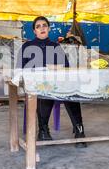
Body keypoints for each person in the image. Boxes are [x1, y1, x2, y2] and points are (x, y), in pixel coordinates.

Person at [19, 16, 87, 148]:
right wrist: (44, 69)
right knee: (45, 88)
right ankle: (43, 129)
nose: (42, 28)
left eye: (44, 25)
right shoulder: (27, 46)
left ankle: (79, 131)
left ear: (49, 29)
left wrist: (55, 68)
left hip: (58, 83)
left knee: (71, 91)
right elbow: (22, 68)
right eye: (38, 26)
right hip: (37, 84)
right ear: (34, 31)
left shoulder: (56, 47)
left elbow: (66, 68)